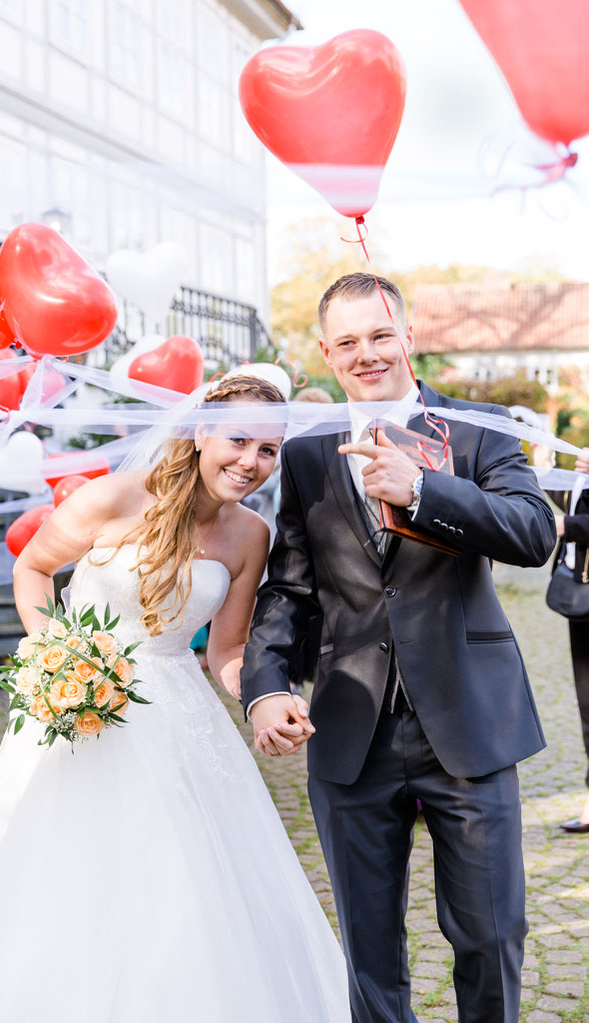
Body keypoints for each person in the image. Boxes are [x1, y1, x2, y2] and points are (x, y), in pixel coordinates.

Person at [0, 375, 349, 1022]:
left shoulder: (251, 535)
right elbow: (32, 568)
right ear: (200, 432)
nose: (251, 462)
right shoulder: (112, 498)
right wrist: (56, 652)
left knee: (180, 881)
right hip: (77, 710)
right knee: (48, 865)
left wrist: (263, 700)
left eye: (267, 449)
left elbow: (225, 650)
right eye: (238, 440)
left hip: (179, 716)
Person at [241, 273, 557, 1023]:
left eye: (380, 335)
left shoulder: (476, 428)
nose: (366, 353)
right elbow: (289, 586)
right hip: (350, 729)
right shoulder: (309, 452)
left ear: (408, 338)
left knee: (489, 935)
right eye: (346, 341)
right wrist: (266, 684)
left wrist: (423, 490)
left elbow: (533, 533)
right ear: (325, 352)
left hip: (469, 723)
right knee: (370, 951)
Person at [548, 448, 589, 833]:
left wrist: (566, 526)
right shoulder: (582, 473)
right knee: (588, 703)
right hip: (584, 603)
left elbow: (573, 521)